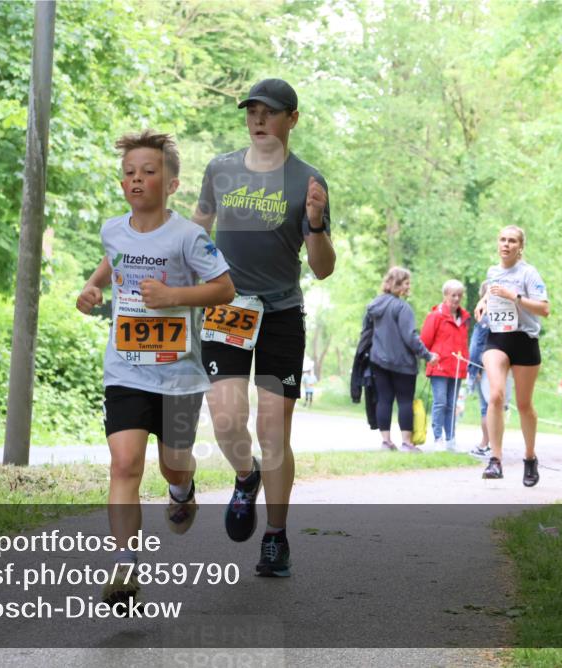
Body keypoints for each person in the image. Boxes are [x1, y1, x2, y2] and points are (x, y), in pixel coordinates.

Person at [76, 130, 235, 605]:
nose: (137, 180)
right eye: (129, 173)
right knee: (124, 464)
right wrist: (92, 287)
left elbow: (224, 288)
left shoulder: (189, 236)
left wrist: (174, 297)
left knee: (171, 464)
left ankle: (183, 489)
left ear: (171, 183)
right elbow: (114, 258)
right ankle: (124, 568)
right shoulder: (112, 228)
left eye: (148, 172)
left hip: (179, 373)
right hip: (125, 368)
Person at [192, 78, 336, 577]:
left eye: (269, 112)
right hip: (226, 308)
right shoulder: (221, 169)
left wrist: (315, 223)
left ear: (292, 119)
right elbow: (196, 234)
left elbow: (321, 268)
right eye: (252, 111)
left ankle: (275, 537)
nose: (258, 120)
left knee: (274, 429)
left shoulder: (308, 182)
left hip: (279, 315)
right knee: (227, 420)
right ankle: (245, 475)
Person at [474, 225, 550, 485]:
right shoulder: (493, 272)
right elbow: (490, 294)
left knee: (524, 405)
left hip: (524, 339)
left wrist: (514, 296)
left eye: (512, 241)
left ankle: (530, 458)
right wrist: (482, 302)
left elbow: (544, 309)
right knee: (495, 394)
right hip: (497, 338)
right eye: (503, 240)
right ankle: (495, 459)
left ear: (520, 247)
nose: (506, 244)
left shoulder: (529, 273)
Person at [365, 267, 439, 453]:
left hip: (378, 360)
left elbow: (367, 333)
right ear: (397, 284)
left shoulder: (374, 305)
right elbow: (410, 337)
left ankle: (386, 442)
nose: (408, 287)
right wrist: (428, 356)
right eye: (406, 283)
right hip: (403, 364)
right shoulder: (402, 307)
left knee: (384, 400)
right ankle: (407, 443)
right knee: (405, 401)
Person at [421, 279, 470, 451]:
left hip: (457, 369)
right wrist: (431, 357)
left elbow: (464, 344)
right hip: (439, 368)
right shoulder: (435, 316)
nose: (456, 299)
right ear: (445, 296)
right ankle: (438, 439)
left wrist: (466, 364)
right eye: (453, 295)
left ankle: (451, 439)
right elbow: (424, 342)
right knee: (440, 402)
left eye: (459, 295)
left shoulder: (464, 318)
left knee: (452, 405)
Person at [467, 282, 494, 458]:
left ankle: (485, 444)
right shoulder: (498, 319)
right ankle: (490, 443)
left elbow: (477, 346)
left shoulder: (484, 319)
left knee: (486, 407)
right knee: (492, 406)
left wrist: (473, 368)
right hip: (494, 367)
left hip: (483, 368)